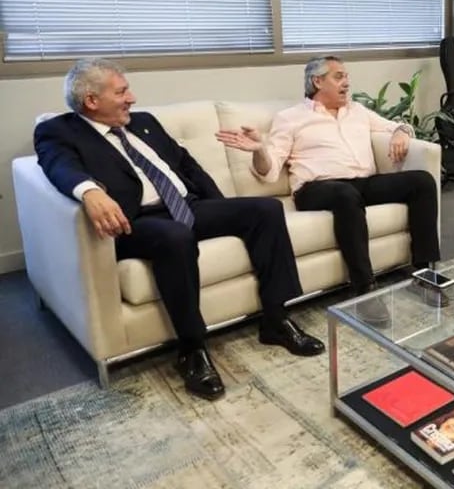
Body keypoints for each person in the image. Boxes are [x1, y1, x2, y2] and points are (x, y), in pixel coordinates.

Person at [34, 59, 324, 402]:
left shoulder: (142, 123)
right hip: (137, 220)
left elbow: (186, 164)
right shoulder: (60, 131)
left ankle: (276, 320)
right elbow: (58, 165)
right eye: (122, 91)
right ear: (91, 101)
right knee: (175, 236)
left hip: (188, 205)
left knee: (266, 208)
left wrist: (220, 208)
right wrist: (89, 191)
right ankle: (192, 349)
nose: (133, 97)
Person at [215, 56, 440, 329]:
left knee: (422, 181)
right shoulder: (291, 118)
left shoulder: (357, 111)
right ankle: (365, 289)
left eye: (346, 76)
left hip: (361, 183)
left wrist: (402, 133)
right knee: (345, 195)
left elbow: (395, 126)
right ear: (317, 81)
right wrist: (259, 149)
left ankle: (423, 272)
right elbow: (269, 170)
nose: (346, 82)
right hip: (315, 189)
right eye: (338, 76)